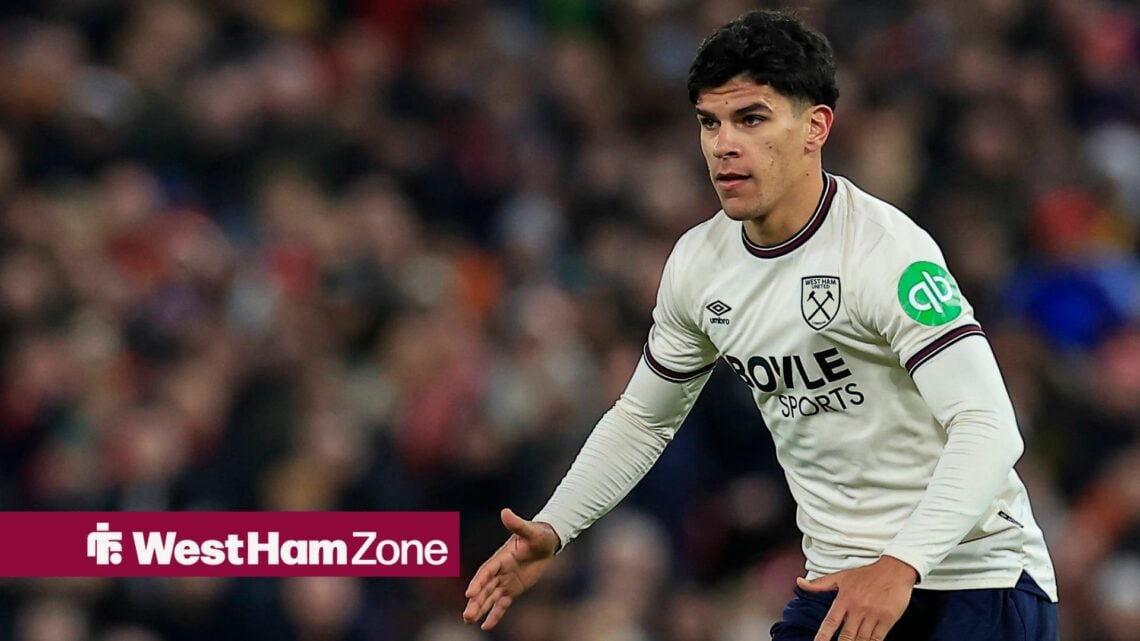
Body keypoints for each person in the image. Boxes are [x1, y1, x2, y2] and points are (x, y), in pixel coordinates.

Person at [462, 10, 1059, 641]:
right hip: (838, 581)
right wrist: (555, 527)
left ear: (815, 127)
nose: (724, 144)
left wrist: (900, 565)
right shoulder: (699, 264)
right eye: (710, 123)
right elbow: (645, 418)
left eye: (751, 119)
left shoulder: (887, 253)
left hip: (975, 581)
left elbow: (988, 426)